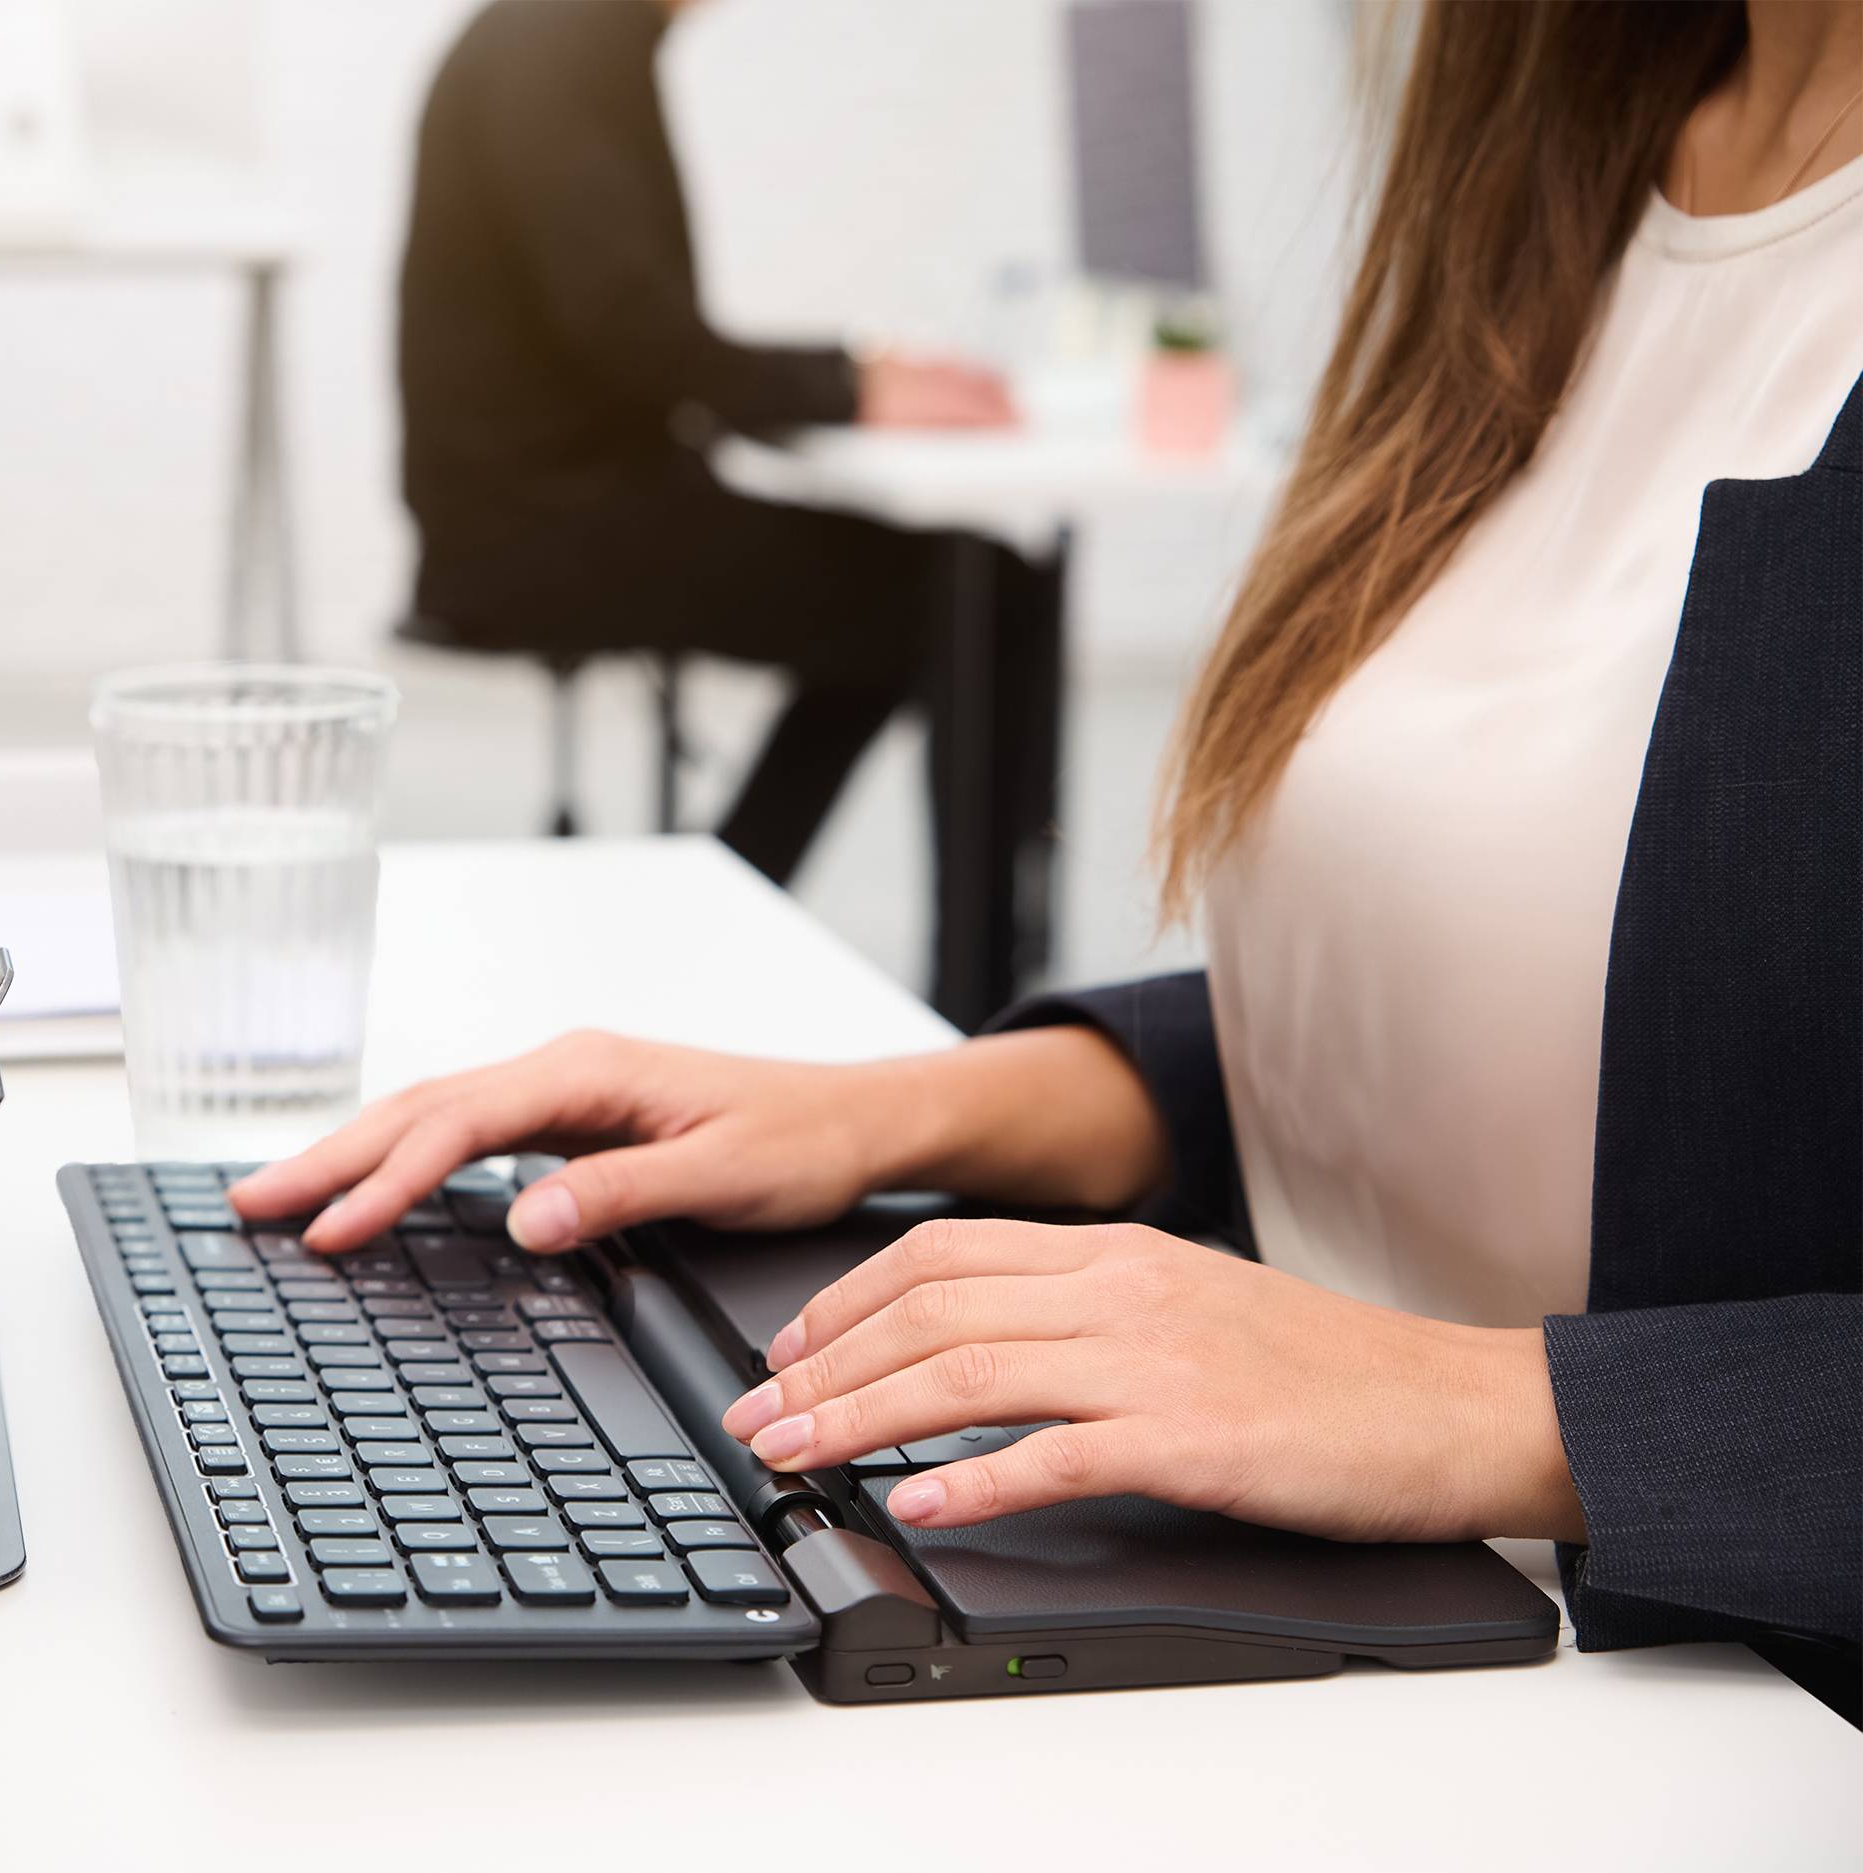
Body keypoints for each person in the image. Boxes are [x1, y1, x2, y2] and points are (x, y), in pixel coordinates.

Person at [256, 0, 1863, 1704]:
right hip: (1308, 1573)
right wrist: (906, 1108)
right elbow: (1531, 1009)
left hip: (1692, 1690)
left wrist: (1483, 1407)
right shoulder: (1551, 191)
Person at [397, 0, 1014, 898]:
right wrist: (851, 384)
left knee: (948, 591)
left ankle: (734, 895)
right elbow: (634, 334)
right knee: (976, 593)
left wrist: (850, 381)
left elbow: (630, 335)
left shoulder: (570, 34)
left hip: (555, 504)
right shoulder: (560, 40)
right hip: (545, 528)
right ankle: (949, 959)